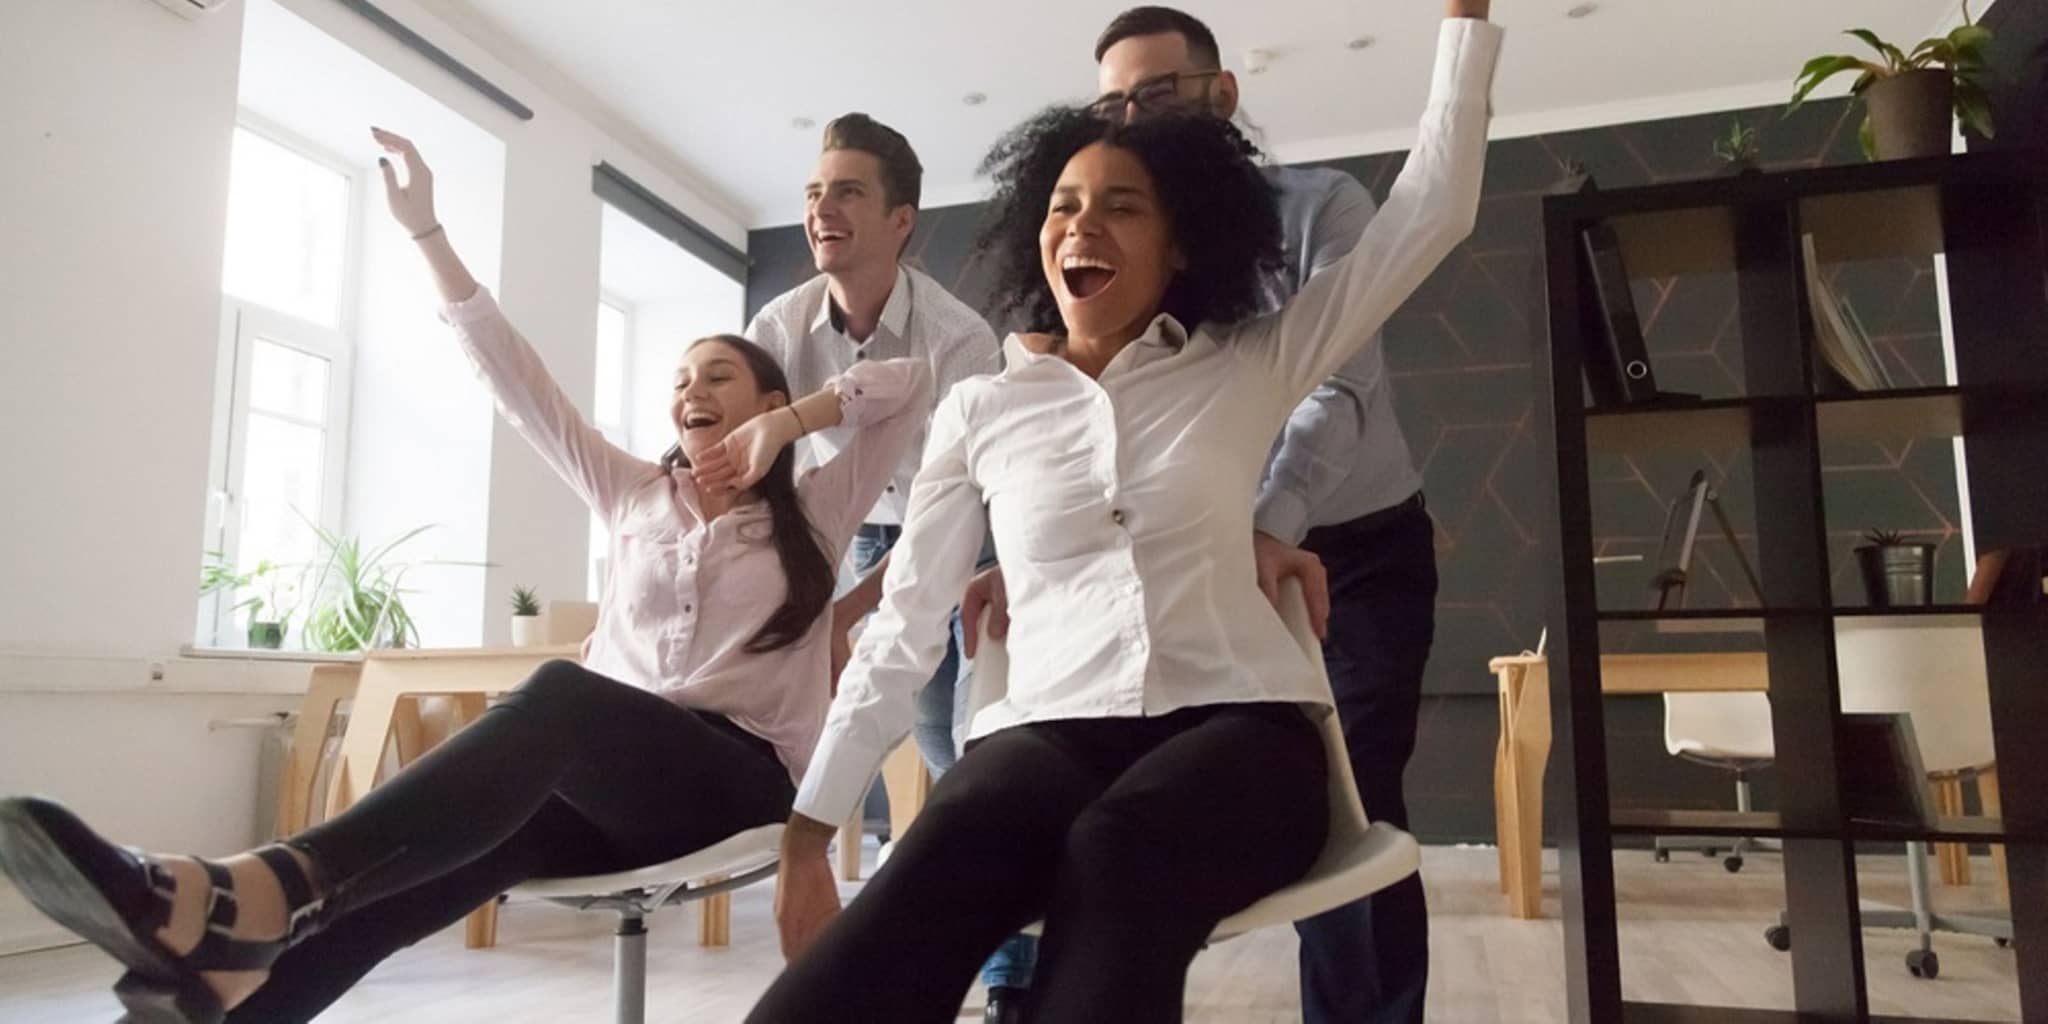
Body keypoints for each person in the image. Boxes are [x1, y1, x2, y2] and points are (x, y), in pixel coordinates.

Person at [0, 128, 930, 1024]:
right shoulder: (631, 491)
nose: (692, 390)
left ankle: (262, 886)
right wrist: (424, 231)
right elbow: (512, 376)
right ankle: (232, 988)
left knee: (561, 694)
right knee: (429, 876)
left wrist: (797, 422)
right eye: (681, 377)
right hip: (608, 786)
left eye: (720, 376)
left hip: (735, 784)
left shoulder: (813, 506)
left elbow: (913, 383)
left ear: (765, 400)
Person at [753, 5, 1500, 1023]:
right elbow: (905, 624)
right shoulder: (983, 405)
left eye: (1122, 206)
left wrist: (1463, 22)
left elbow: (1432, 209)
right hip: (1048, 731)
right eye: (1060, 205)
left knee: (1120, 845)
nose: (1081, 227)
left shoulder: (1247, 362)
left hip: (1241, 727)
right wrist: (809, 826)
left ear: (1182, 243)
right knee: (949, 834)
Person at [1084, 8, 1443, 1021]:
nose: (1134, 119)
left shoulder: (1321, 206)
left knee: (1356, 796)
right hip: (1218, 561)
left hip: (1359, 552)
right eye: (1114, 104)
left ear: (1220, 97)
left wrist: (1273, 521)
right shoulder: (1132, 247)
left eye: (1154, 94)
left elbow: (1338, 387)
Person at [743, 112, 1033, 1017]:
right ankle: (829, 936)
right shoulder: (780, 326)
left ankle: (1009, 976)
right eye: (814, 193)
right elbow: (770, 484)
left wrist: (849, 611)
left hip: (968, 538)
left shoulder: (958, 341)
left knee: (964, 748)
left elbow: (947, 527)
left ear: (902, 220)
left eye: (849, 192)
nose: (823, 209)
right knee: (817, 743)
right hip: (840, 535)